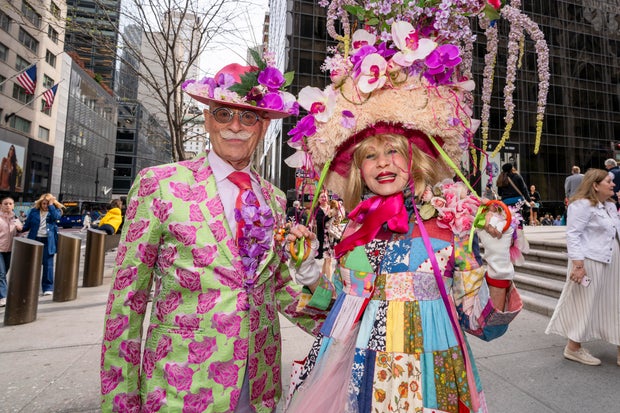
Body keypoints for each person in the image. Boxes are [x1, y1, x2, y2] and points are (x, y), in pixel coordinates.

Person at [281, 3, 536, 409]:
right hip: (361, 375)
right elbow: (332, 315)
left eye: (393, 151)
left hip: (436, 375)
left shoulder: (449, 223)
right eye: (370, 155)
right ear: (357, 170)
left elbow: (481, 323)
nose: (382, 163)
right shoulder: (347, 228)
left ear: (414, 159)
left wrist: (499, 265)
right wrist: (311, 272)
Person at [101, 60, 327, 412]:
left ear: (263, 126)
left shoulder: (275, 199)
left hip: (258, 386)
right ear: (207, 119)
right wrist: (121, 402)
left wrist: (344, 322)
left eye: (248, 117)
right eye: (223, 115)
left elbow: (279, 288)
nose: (235, 126)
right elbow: (127, 303)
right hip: (180, 386)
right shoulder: (159, 185)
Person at [546, 169, 620, 366]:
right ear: (595, 185)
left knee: (615, 303)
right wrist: (578, 265)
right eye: (608, 181)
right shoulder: (581, 205)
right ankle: (573, 347)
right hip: (590, 262)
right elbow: (573, 235)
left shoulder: (609, 207)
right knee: (584, 303)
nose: (613, 184)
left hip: (612, 261)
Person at [22, 193, 63, 295]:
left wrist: (51, 206)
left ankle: (48, 287)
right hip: (35, 240)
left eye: (47, 203)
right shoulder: (34, 212)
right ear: (40, 203)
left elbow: (56, 218)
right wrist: (17, 228)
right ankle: (29, 286)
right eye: (44, 203)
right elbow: (27, 226)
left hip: (48, 241)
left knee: (48, 265)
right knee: (32, 264)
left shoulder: (55, 211)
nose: (45, 205)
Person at [0, 196, 22, 307]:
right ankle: (3, 297)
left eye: (10, 203)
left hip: (10, 250)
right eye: (5, 203)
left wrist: (19, 228)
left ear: (13, 205)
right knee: (1, 274)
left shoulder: (15, 218)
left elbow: (20, 230)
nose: (8, 206)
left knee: (4, 272)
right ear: (1, 205)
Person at [314, 190, 331, 259]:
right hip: (322, 234)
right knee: (323, 256)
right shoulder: (317, 209)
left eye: (325, 197)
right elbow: (320, 222)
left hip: (332, 234)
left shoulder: (332, 207)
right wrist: (330, 215)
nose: (324, 198)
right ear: (318, 199)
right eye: (322, 197)